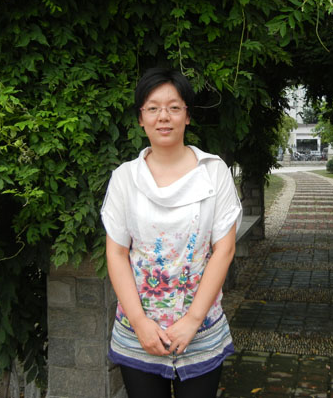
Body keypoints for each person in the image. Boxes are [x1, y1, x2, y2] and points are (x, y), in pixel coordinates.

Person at [100, 67, 242, 398]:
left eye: (174, 107)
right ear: (141, 118)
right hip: (139, 332)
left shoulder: (214, 172)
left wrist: (193, 319)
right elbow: (117, 252)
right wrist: (140, 323)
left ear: (187, 116)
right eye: (153, 108)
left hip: (201, 330)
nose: (163, 117)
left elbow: (224, 249)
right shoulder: (124, 178)